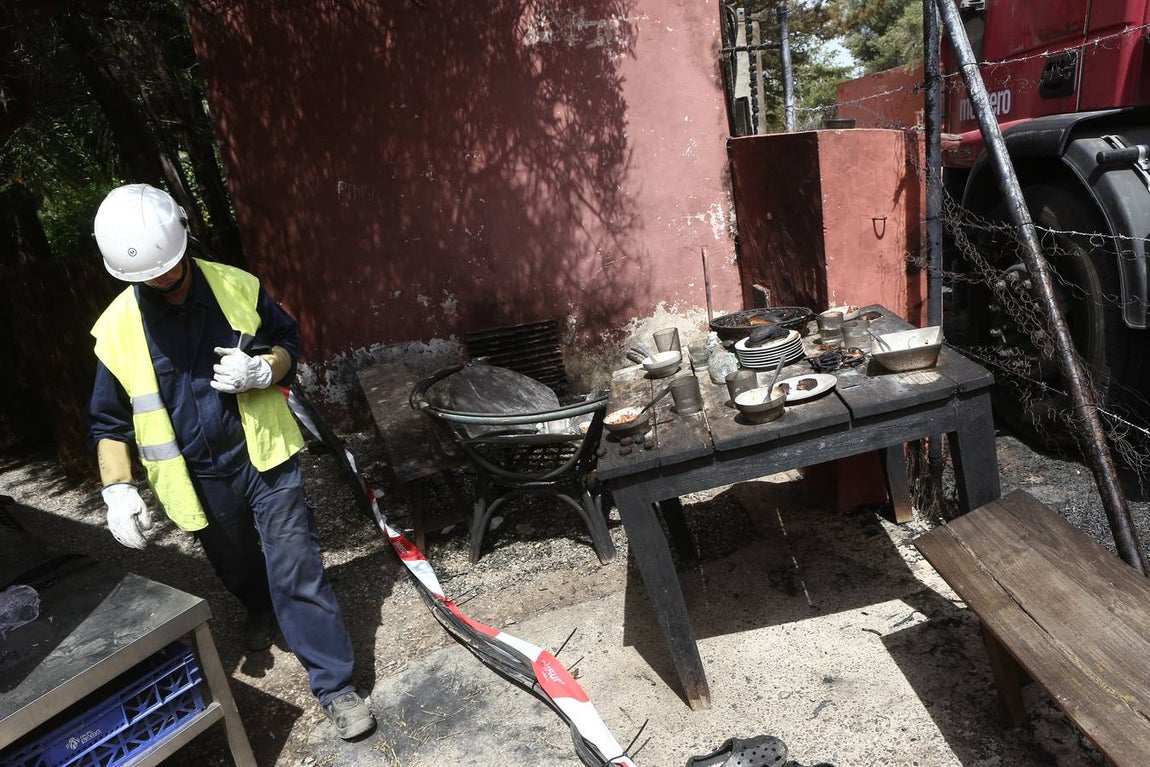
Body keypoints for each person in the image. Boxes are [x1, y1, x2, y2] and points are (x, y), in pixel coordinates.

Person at [87, 183, 376, 741]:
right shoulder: (116, 329)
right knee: (237, 565)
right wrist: (117, 487)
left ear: (183, 239)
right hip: (196, 477)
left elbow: (288, 341)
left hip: (264, 457)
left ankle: (335, 686)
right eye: (149, 277)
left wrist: (266, 369)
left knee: (295, 565)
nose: (162, 281)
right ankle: (260, 609)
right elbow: (108, 420)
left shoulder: (238, 286)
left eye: (168, 269)